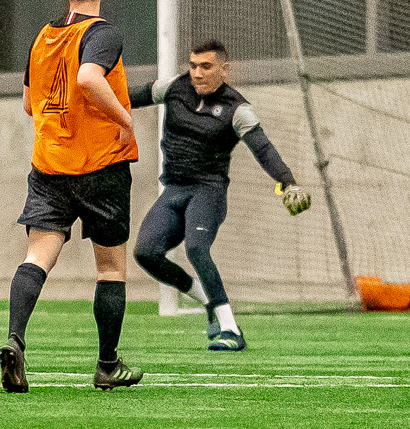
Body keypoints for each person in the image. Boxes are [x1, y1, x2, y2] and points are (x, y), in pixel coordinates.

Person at [0, 0, 142, 393]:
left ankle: (15, 340)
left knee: (37, 258)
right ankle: (106, 364)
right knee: (110, 269)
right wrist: (123, 117)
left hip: (50, 166)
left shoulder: (43, 37)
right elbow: (87, 79)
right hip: (100, 165)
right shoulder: (101, 33)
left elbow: (28, 103)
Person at [129, 40, 311, 351]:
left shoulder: (237, 108)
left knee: (197, 248)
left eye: (206, 67)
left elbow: (264, 149)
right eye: (193, 66)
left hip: (208, 191)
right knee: (145, 252)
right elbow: (127, 97)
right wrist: (83, 95)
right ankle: (208, 301)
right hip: (173, 190)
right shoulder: (174, 87)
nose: (197, 74)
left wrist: (288, 182)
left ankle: (230, 329)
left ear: (223, 70)